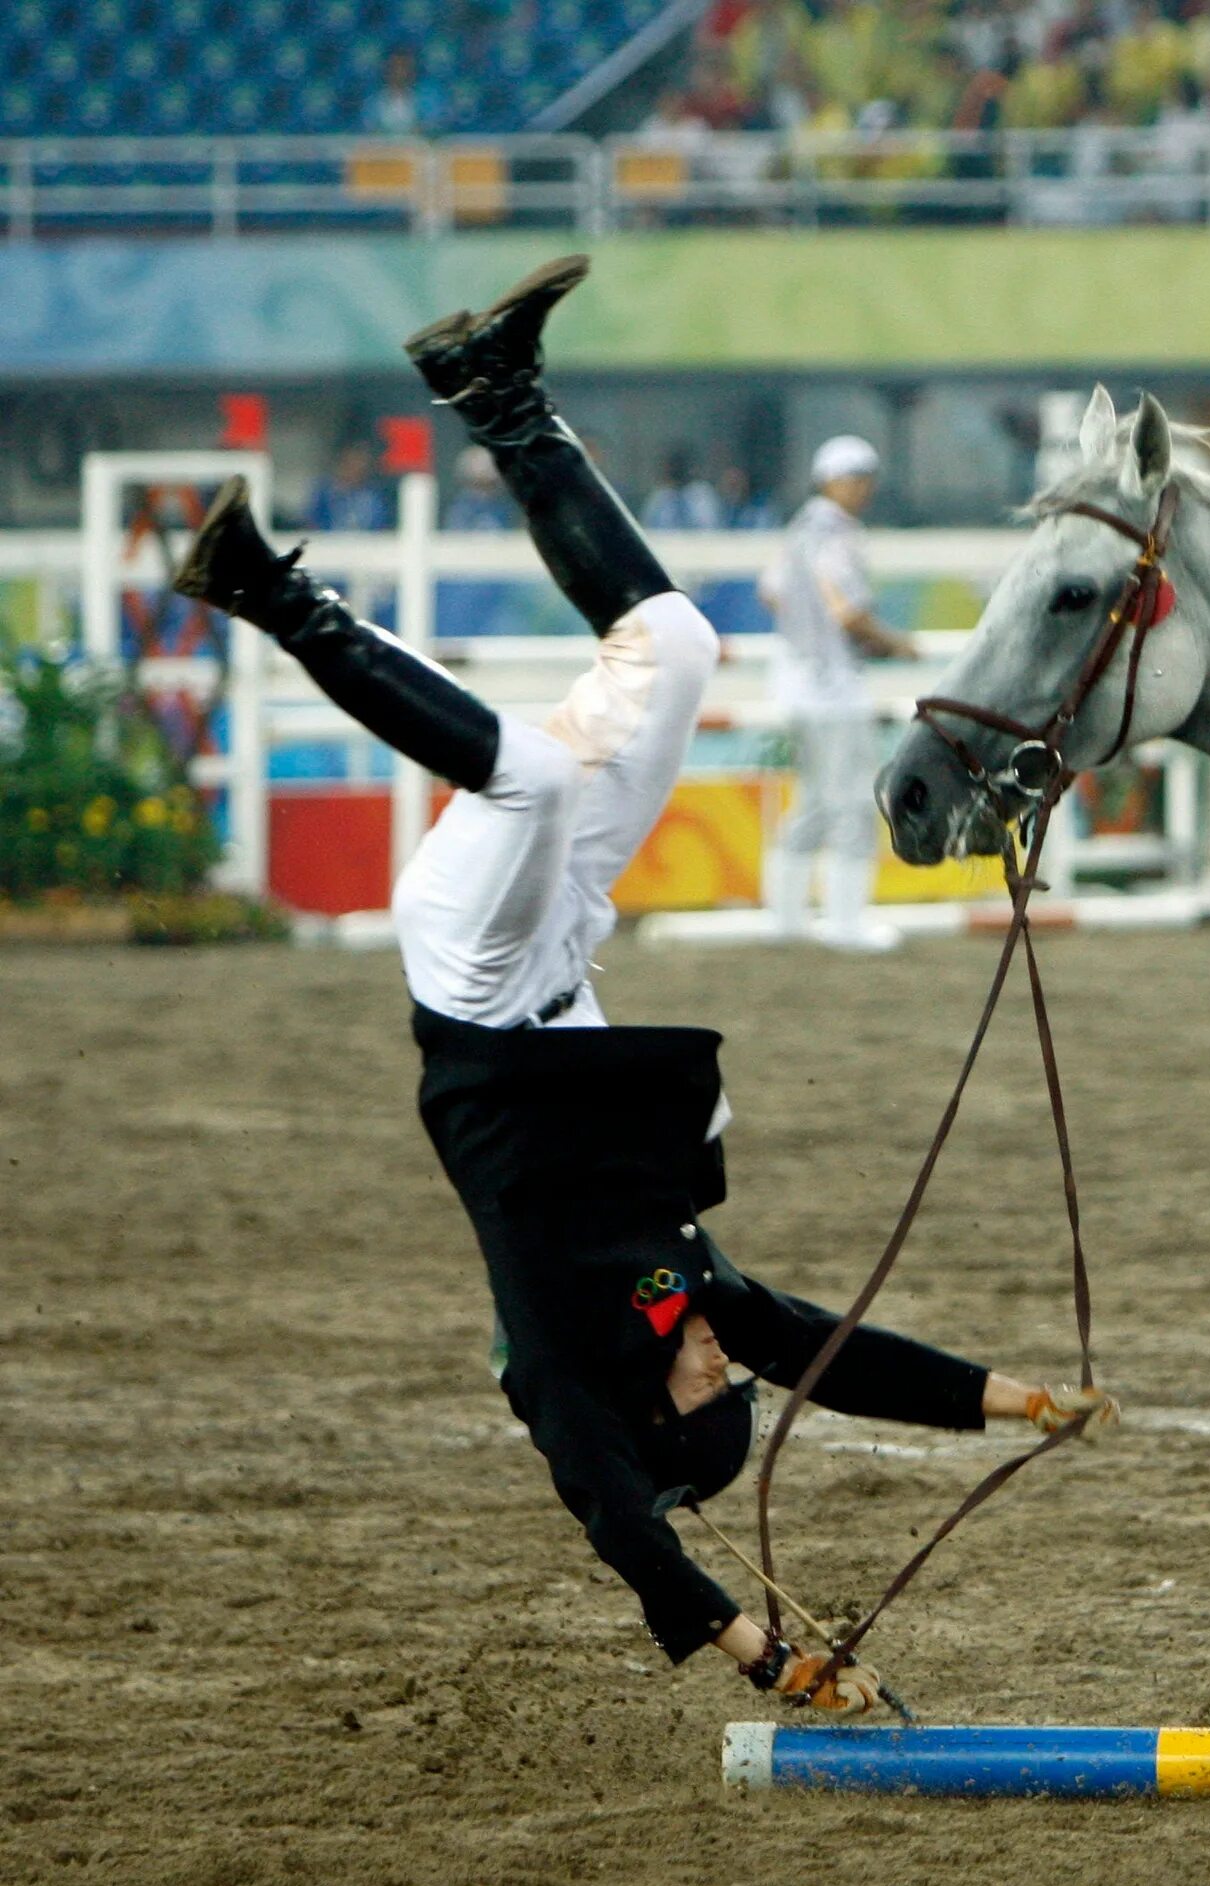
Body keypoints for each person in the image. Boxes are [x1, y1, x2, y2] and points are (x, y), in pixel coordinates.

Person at [168, 256, 1116, 1713]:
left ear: (665, 1415)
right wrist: (1016, 1399)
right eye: (733, 1375)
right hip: (560, 953)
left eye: (717, 1390)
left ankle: (260, 588)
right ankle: (500, 391)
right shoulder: (686, 1296)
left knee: (538, 777)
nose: (730, 1363)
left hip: (477, 996)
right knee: (675, 647)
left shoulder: (564, 1359)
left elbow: (628, 1534)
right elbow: (836, 1355)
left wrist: (764, 1658)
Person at [758, 435, 920, 951]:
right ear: (830, 480)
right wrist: (896, 645)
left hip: (795, 680)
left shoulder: (799, 529)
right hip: (832, 687)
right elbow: (847, 611)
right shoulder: (836, 534)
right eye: (855, 479)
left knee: (812, 800)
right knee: (851, 801)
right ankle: (846, 923)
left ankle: (786, 918)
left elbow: (772, 592)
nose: (863, 489)